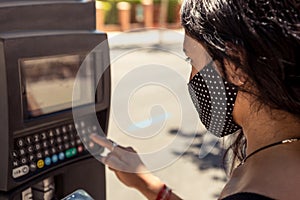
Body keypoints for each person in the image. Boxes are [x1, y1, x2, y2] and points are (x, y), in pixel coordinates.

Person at [90, 0, 300, 199]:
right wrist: (147, 184)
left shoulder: (258, 187)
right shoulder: (277, 162)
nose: (191, 77)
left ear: (234, 66)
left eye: (192, 60)